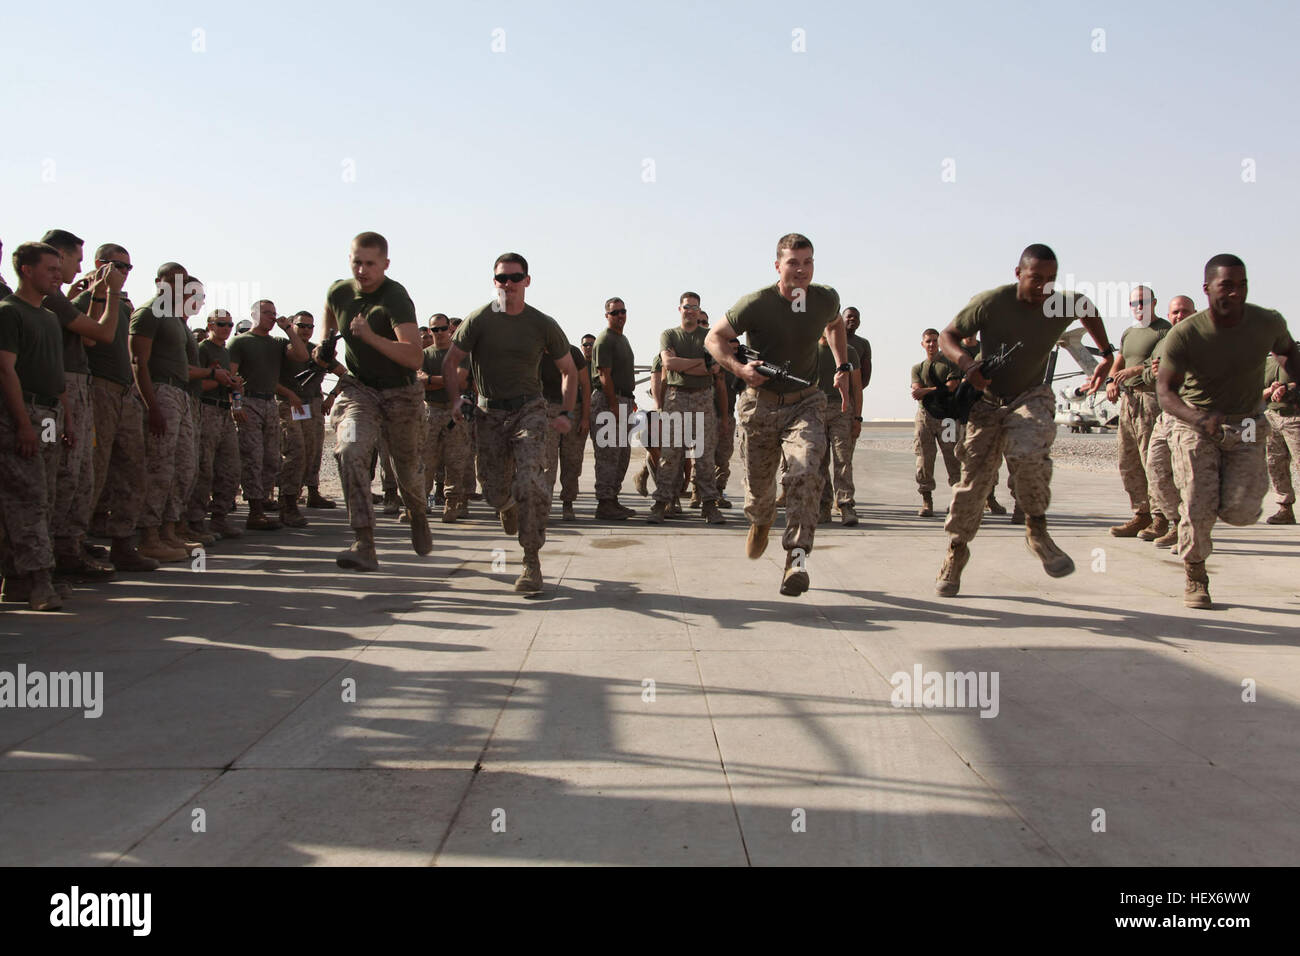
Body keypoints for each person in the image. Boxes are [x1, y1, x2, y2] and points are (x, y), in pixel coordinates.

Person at [933, 243, 1113, 597]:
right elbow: (947, 336)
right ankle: (956, 553)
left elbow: (1088, 308)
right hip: (986, 400)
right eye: (1035, 279)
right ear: (1018, 274)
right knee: (972, 485)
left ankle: (1037, 530)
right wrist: (969, 367)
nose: (1043, 287)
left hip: (1030, 395)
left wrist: (1105, 353)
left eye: (1051, 280)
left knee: (1029, 451)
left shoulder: (1061, 303)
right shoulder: (992, 302)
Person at [705, 233, 851, 597]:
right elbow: (713, 339)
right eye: (793, 263)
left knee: (805, 472)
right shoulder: (756, 303)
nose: (801, 270)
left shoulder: (825, 298)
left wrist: (842, 365)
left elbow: (835, 325)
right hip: (760, 404)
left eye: (808, 262)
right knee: (759, 491)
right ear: (778, 266)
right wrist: (740, 371)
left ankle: (796, 558)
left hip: (806, 402)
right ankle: (760, 520)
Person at [1157, 254, 1297, 609]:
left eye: (1242, 285)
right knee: (1197, 504)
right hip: (1198, 425)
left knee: (1243, 511)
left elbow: (1287, 352)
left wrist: (1292, 374)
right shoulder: (1185, 334)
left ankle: (1214, 501)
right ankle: (1196, 575)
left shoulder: (1267, 322)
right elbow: (1165, 392)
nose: (1236, 293)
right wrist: (1197, 419)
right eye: (1227, 286)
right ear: (1207, 289)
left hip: (1248, 423)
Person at [442, 252, 578, 592]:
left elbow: (569, 371)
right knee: (491, 488)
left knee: (532, 480)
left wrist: (565, 412)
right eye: (502, 278)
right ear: (494, 282)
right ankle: (505, 506)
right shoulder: (479, 320)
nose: (508, 284)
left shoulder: (542, 323)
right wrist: (456, 399)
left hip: (529, 409)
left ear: (527, 281)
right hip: (488, 414)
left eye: (515, 278)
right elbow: (450, 361)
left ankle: (531, 561)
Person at [316, 232, 430, 571]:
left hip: (401, 393)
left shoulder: (395, 298)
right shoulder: (338, 291)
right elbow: (327, 318)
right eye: (357, 262)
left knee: (407, 470)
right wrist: (323, 345)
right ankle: (364, 541)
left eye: (370, 264)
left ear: (385, 264)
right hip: (360, 390)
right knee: (349, 450)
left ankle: (418, 512)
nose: (362, 270)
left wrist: (370, 337)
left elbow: (414, 358)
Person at [41, 230, 123, 578]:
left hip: (76, 386)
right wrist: (110, 294)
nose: (77, 268)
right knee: (63, 478)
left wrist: (97, 296)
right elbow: (101, 335)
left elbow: (87, 339)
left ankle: (67, 549)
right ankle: (55, 557)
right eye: (75, 259)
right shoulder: (53, 299)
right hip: (63, 389)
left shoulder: (63, 298)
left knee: (80, 475)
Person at [0, 243, 75, 609]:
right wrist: (22, 425)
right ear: (27, 270)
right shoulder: (8, 313)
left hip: (49, 413)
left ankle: (18, 581)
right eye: (50, 269)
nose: (57, 275)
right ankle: (39, 580)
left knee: (44, 495)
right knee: (27, 499)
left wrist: (67, 418)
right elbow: (5, 370)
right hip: (23, 414)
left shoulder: (47, 316)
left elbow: (56, 376)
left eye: (59, 268)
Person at [130, 263, 208, 562]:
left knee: (182, 467)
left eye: (183, 281)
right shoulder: (150, 312)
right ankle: (149, 536)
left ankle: (169, 532)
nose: (178, 286)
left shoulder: (174, 318)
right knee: (159, 468)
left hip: (180, 394)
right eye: (172, 281)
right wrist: (152, 406)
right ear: (158, 282)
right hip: (161, 392)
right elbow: (138, 362)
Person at [230, 300, 309, 529]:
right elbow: (231, 376)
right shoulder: (240, 341)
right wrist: (236, 405)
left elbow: (302, 355)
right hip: (249, 401)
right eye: (266, 313)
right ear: (254, 314)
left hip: (269, 403)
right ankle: (254, 511)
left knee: (272, 458)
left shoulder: (277, 342)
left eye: (274, 313)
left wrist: (288, 329)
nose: (272, 317)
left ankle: (263, 502)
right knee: (253, 456)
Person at [648, 293, 725, 525]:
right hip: (676, 398)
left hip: (703, 398)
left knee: (704, 457)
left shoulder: (709, 337)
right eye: (686, 307)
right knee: (671, 455)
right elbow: (669, 364)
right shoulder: (669, 335)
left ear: (699, 310)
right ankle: (661, 503)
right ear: (679, 309)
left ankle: (709, 505)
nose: (690, 310)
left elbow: (713, 370)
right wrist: (698, 364)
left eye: (694, 307)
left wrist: (684, 365)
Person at [1105, 286, 1172, 538]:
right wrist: (1111, 381)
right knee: (1128, 459)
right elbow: (1119, 360)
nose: (1139, 307)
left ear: (1154, 302)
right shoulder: (1129, 332)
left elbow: (1160, 362)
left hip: (1150, 398)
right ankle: (1141, 513)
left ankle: (1160, 517)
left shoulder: (1165, 330)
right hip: (1129, 400)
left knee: (1152, 460)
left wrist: (1132, 372)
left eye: (1143, 302)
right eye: (1134, 303)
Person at [1139, 295, 1198, 548]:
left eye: (1185, 311)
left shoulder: (1204, 340)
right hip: (1166, 415)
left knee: (1188, 477)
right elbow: (1151, 376)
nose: (1179, 316)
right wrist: (1154, 374)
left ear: (1194, 312)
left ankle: (1191, 531)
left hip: (1190, 415)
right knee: (1155, 468)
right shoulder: (1164, 343)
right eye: (1175, 312)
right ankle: (1175, 522)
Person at [188, 309, 244, 539]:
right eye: (221, 324)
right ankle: (195, 520)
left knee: (230, 467)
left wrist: (233, 389)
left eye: (229, 325)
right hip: (207, 408)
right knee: (204, 469)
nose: (226, 328)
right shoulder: (202, 349)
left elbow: (228, 384)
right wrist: (220, 381)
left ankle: (219, 517)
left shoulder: (225, 351)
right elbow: (195, 384)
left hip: (224, 412)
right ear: (210, 325)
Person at [417, 315, 472, 522]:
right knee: (425, 460)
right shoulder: (423, 355)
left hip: (454, 412)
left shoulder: (459, 353)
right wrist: (443, 381)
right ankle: (421, 503)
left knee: (455, 461)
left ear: (449, 329)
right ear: (430, 331)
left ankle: (452, 503)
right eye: (434, 330)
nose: (439, 333)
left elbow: (458, 380)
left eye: (442, 329)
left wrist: (430, 379)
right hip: (431, 410)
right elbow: (417, 380)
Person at [590, 297, 637, 519]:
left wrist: (629, 399)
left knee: (621, 455)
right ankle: (604, 503)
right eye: (615, 312)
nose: (620, 315)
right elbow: (604, 375)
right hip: (609, 402)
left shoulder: (623, 339)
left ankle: (613, 499)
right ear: (607, 315)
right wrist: (613, 404)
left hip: (623, 400)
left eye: (623, 311)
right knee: (608, 454)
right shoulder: (604, 340)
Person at [910, 328, 962, 517]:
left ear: (939, 342)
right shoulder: (918, 368)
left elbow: (951, 387)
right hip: (925, 417)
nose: (931, 344)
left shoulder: (950, 364)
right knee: (924, 458)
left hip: (947, 418)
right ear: (923, 344)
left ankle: (958, 500)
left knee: (953, 458)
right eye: (928, 341)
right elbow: (916, 390)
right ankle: (926, 500)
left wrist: (926, 391)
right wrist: (929, 390)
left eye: (934, 340)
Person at [540, 330, 590, 521]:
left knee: (572, 460)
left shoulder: (572, 352)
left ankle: (568, 503)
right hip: (547, 410)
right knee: (547, 462)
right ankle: (544, 506)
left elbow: (585, 386)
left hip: (573, 411)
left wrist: (585, 417)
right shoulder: (536, 354)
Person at [816, 332, 863, 525]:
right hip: (815, 409)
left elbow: (856, 387)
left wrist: (858, 418)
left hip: (841, 410)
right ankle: (822, 506)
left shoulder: (848, 353)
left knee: (843, 459)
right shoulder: (810, 351)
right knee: (818, 461)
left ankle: (845, 506)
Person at [1263, 352, 1300, 524]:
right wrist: (1270, 390)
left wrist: (1287, 387)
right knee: (1275, 463)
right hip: (1272, 417)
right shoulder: (1264, 361)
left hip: (1295, 417)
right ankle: (1285, 509)